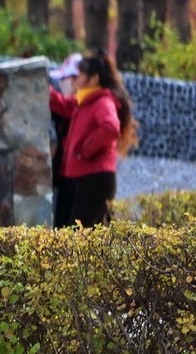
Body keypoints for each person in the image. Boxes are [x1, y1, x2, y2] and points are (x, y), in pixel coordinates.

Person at [47, 50, 138, 227]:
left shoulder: (102, 102)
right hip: (90, 179)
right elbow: (64, 105)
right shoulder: (86, 101)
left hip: (96, 178)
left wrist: (85, 150)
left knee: (78, 235)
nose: (76, 79)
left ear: (94, 78)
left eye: (80, 75)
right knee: (95, 234)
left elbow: (111, 128)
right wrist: (44, 90)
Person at [47, 53, 82, 228]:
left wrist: (45, 91)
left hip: (77, 176)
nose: (61, 83)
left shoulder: (82, 103)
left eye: (64, 79)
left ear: (76, 79)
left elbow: (65, 106)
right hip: (65, 173)